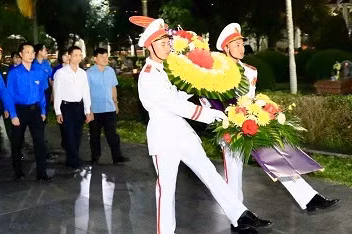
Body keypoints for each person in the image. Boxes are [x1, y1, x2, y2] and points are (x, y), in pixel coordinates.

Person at [132, 17, 269, 233]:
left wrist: (204, 83)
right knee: (166, 189)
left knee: (210, 174)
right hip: (164, 136)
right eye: (161, 43)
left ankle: (240, 216)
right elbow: (174, 105)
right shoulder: (148, 76)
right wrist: (211, 115)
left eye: (168, 42)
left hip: (182, 132)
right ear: (149, 46)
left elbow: (179, 93)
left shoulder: (166, 70)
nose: (167, 47)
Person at [214, 23, 338, 212]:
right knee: (233, 170)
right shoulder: (216, 71)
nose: (241, 47)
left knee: (278, 157)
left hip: (253, 122)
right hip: (230, 125)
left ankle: (310, 198)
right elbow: (211, 99)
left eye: (241, 43)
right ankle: (236, 214)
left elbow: (251, 97)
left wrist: (265, 109)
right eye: (236, 44)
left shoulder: (250, 70)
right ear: (226, 48)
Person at [6, 42, 50, 181]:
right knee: (17, 142)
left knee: (40, 142)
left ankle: (42, 173)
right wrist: (13, 114)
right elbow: (9, 95)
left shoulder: (38, 72)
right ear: (21, 54)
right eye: (27, 52)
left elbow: (41, 93)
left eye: (32, 52)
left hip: (35, 110)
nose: (31, 55)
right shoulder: (14, 73)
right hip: (20, 111)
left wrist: (43, 110)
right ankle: (18, 171)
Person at [53, 46, 93, 170]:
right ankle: (74, 160)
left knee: (77, 134)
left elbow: (86, 92)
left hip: (79, 106)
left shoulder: (83, 73)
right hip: (66, 107)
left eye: (80, 55)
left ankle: (72, 159)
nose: (78, 57)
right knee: (69, 134)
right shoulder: (61, 73)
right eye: (75, 55)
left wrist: (87, 110)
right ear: (69, 56)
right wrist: (58, 112)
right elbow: (57, 93)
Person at [87, 47, 128, 164]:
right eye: (102, 57)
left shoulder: (110, 71)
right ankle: (95, 157)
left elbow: (113, 87)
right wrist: (88, 109)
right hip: (95, 110)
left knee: (112, 134)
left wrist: (116, 103)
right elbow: (86, 92)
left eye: (106, 57)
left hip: (109, 108)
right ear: (95, 59)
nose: (105, 59)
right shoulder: (89, 73)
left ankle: (117, 156)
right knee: (95, 135)